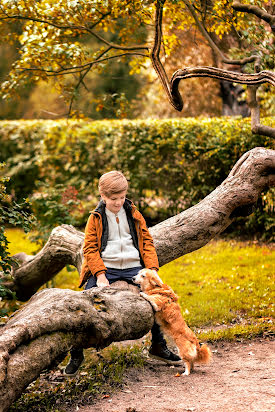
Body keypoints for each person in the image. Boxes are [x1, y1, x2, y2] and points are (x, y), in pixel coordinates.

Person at [64, 170, 181, 375]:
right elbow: (90, 249)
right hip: (106, 268)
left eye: (122, 198)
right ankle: (76, 353)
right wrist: (100, 275)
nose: (118, 203)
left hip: (133, 267)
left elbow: (146, 241)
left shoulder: (134, 214)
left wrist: (152, 269)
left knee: (158, 298)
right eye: (113, 199)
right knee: (83, 303)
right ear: (103, 196)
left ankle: (158, 345)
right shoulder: (96, 218)